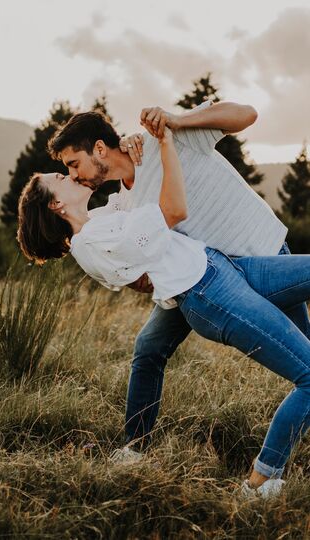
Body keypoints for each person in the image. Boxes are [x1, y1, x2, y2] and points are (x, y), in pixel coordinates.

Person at [17, 125, 310, 499]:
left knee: (148, 348)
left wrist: (130, 144)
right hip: (209, 293)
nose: (72, 174)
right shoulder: (92, 243)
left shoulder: (102, 218)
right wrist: (166, 142)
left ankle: (134, 447)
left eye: (70, 166)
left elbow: (129, 184)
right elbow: (172, 209)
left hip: (222, 265)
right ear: (56, 205)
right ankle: (261, 482)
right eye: (62, 175)